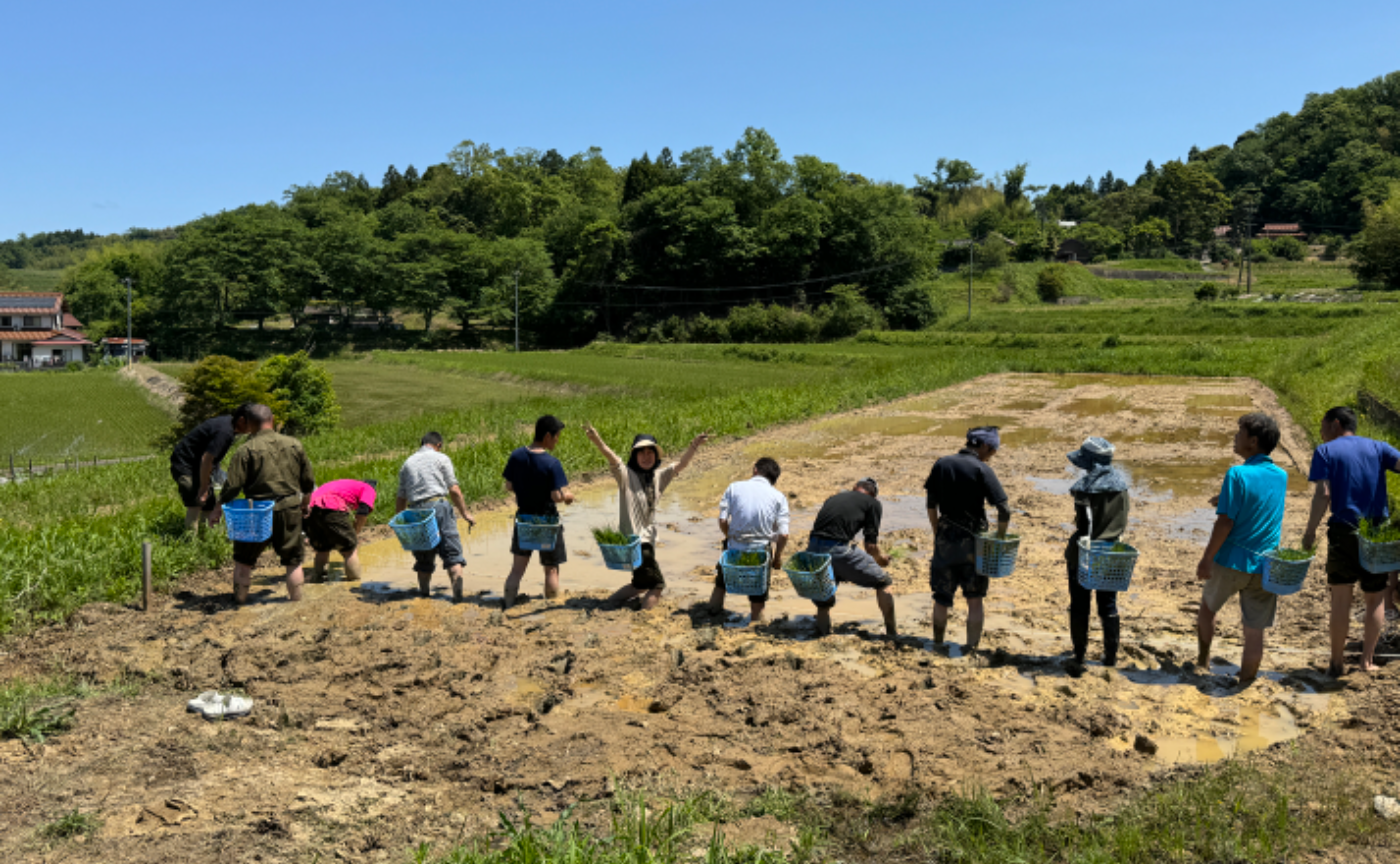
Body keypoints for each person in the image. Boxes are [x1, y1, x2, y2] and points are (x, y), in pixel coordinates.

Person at [1300, 406, 1400, 676]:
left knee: (1341, 599)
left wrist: (1310, 532)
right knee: (1375, 598)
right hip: (1377, 532)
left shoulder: (1326, 452)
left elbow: (1322, 495)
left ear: (1335, 424)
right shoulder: (1380, 447)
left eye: (1322, 428)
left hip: (1343, 529)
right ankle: (1366, 661)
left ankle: (1336, 662)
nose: (1321, 434)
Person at [1194, 413, 1289, 685]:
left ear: (1253, 441)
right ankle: (1247, 679)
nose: (1235, 438)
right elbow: (1259, 503)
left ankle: (1202, 662)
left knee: (1207, 610)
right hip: (1265, 565)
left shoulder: (1237, 473)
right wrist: (1222, 498)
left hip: (1232, 560)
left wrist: (1206, 558)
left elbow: (1226, 522)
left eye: (1240, 433)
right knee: (1254, 629)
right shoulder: (1281, 476)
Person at [582, 424, 708, 610]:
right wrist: (597, 440)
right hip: (637, 543)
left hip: (648, 541)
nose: (647, 456)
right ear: (634, 456)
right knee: (657, 585)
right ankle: (645, 617)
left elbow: (682, 464)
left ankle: (608, 604)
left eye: (651, 453)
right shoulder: (625, 475)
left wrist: (694, 446)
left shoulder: (659, 477)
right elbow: (611, 457)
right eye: (642, 453)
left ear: (656, 456)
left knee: (639, 585)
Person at [218, 404, 316, 605]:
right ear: (272, 419)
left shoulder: (246, 450)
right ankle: (296, 603)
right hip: (289, 508)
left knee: (244, 561)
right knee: (293, 561)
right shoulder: (294, 444)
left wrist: (218, 506)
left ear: (248, 423)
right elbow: (307, 481)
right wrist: (305, 502)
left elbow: (233, 485)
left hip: (256, 513)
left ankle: (239, 601)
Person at [925, 426, 1010, 651]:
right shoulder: (982, 470)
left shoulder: (941, 464)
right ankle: (971, 648)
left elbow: (931, 504)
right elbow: (1004, 509)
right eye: (991, 451)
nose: (991, 456)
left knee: (941, 598)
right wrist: (1000, 538)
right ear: (983, 446)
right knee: (974, 598)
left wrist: (937, 532)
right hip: (974, 543)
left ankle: (937, 643)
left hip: (945, 539)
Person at [1063, 437, 1131, 673]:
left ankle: (1079, 655)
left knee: (1080, 605)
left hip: (1084, 553)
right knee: (1108, 605)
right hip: (1112, 553)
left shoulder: (1085, 489)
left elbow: (1084, 525)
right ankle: (1110, 656)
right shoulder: (1122, 486)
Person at [804, 478, 897, 638]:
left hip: (812, 549)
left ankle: (822, 632)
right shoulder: (873, 503)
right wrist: (881, 560)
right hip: (837, 549)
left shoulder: (834, 498)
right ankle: (892, 632)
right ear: (874, 496)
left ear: (855, 488)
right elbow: (870, 547)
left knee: (824, 596)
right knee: (883, 582)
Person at [707, 457, 790, 625]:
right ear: (774, 479)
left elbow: (723, 521)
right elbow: (784, 534)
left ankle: (712, 611)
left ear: (755, 470)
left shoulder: (734, 487)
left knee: (721, 584)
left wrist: (729, 537)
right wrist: (777, 557)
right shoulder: (779, 497)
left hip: (733, 548)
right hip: (760, 551)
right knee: (758, 594)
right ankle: (756, 620)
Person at [502, 415, 573, 609]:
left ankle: (508, 603)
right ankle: (551, 606)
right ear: (548, 436)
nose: (557, 440)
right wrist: (567, 496)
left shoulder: (516, 456)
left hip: (524, 518)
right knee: (551, 569)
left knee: (517, 570)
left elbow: (509, 485)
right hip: (547, 521)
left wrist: (525, 490)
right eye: (557, 436)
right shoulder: (552, 463)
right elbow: (556, 496)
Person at [396, 432, 477, 601]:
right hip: (438, 507)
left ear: (422, 443)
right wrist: (465, 513)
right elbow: (454, 490)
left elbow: (401, 497)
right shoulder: (441, 459)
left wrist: (401, 521)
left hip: (416, 511)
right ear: (438, 445)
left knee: (423, 557)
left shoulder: (407, 463)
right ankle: (458, 598)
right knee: (452, 554)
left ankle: (424, 596)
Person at [170, 406, 253, 530]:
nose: (253, 428)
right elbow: (207, 459)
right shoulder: (225, 432)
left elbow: (210, 454)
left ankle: (206, 537)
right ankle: (192, 544)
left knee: (209, 505)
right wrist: (204, 488)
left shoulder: (229, 424)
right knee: (195, 504)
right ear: (241, 420)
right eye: (252, 423)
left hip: (199, 465)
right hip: (186, 464)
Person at [306, 478, 378, 584]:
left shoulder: (346, 485)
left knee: (322, 548)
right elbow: (363, 512)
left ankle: (318, 577)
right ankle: (353, 581)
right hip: (331, 506)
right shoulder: (368, 489)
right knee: (350, 548)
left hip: (310, 511)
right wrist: (355, 534)